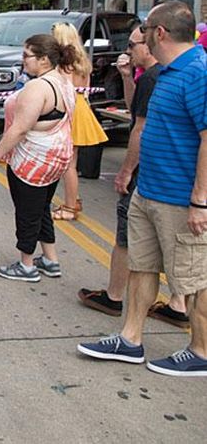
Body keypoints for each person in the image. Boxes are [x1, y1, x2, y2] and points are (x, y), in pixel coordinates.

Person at [78, 1, 207, 376]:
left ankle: (200, 351)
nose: (141, 33)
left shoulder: (198, 72)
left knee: (196, 280)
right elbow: (144, 123)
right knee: (142, 267)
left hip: (181, 200)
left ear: (161, 33)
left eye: (146, 27)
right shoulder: (166, 72)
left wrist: (200, 200)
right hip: (149, 191)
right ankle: (130, 339)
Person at [78, 27, 189, 327]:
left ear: (154, 41)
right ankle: (177, 305)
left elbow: (140, 129)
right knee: (169, 241)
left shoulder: (157, 77)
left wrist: (125, 171)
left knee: (129, 237)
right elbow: (133, 109)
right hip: (163, 174)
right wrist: (127, 77)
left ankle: (115, 296)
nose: (127, 50)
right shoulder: (155, 76)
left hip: (149, 173)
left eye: (132, 44)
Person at [0, 34, 76, 282]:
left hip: (33, 161)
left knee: (27, 212)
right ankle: (50, 258)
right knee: (41, 208)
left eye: (27, 56)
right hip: (55, 157)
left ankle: (26, 264)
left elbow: (20, 129)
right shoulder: (63, 82)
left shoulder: (38, 88)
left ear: (44, 59)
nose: (22, 60)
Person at [51, 22, 107, 221]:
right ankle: (73, 201)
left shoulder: (65, 62)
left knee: (69, 164)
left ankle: (70, 205)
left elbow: (64, 89)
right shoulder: (82, 59)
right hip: (82, 106)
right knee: (70, 162)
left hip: (72, 108)